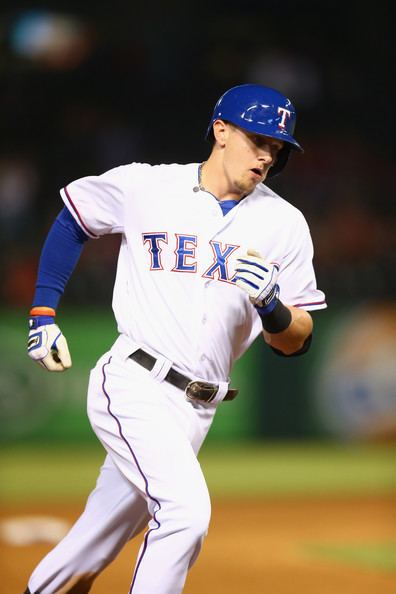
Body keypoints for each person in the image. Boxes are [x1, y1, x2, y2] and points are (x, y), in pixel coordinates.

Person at [25, 83, 326, 594]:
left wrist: (273, 306)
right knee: (186, 515)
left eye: (276, 148)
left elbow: (295, 340)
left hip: (197, 408)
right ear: (221, 130)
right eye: (258, 140)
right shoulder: (149, 187)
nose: (266, 156)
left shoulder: (285, 224)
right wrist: (42, 312)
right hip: (135, 380)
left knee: (93, 543)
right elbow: (73, 219)